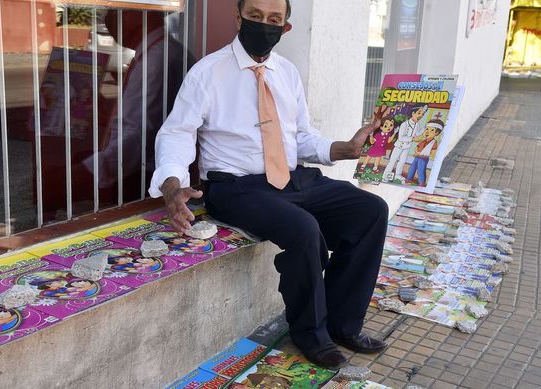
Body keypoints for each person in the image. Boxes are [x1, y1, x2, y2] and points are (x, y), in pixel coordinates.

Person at [149, 0, 388, 369]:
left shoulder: (287, 72)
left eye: (274, 19)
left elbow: (302, 137)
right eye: (255, 16)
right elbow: (178, 134)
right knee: (304, 230)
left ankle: (343, 323)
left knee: (371, 210)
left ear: (285, 27)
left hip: (292, 179)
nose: (264, 25)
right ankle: (310, 333)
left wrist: (344, 148)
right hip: (236, 187)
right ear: (239, 17)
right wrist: (172, 184)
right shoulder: (207, 72)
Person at [382, 104, 427, 183]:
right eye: (419, 113)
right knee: (393, 161)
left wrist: (424, 128)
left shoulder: (417, 125)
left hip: (407, 147)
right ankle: (386, 176)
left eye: (423, 114)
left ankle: (398, 175)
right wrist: (412, 139)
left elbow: (418, 133)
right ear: (413, 113)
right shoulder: (404, 124)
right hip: (399, 146)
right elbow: (401, 137)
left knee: (402, 161)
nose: (421, 116)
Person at [406, 119, 444, 186]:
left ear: (436, 133)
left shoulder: (433, 142)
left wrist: (420, 153)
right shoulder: (423, 140)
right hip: (417, 157)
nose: (427, 132)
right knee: (412, 168)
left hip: (423, 159)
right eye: (427, 129)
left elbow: (432, 153)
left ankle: (421, 183)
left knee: (421, 170)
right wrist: (416, 152)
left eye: (432, 130)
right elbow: (417, 147)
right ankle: (409, 179)